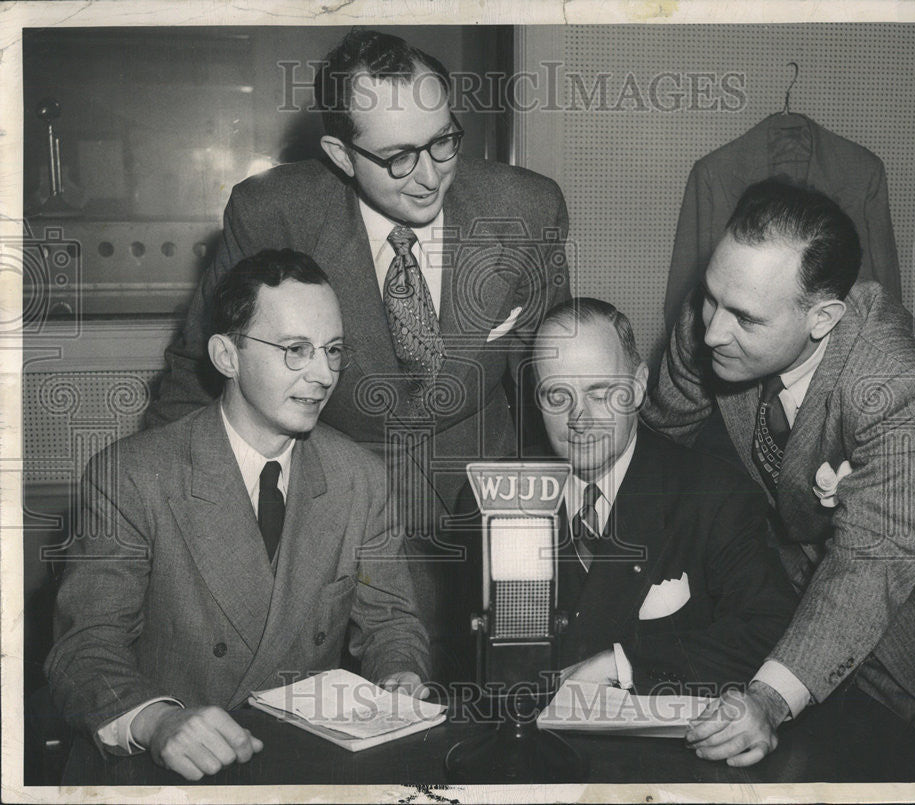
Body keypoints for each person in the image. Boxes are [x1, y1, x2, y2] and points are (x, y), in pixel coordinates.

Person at [144, 29, 571, 682]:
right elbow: (194, 376)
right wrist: (160, 517)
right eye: (398, 156)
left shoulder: (527, 209)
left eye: (443, 141)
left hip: (483, 496)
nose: (430, 176)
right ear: (341, 153)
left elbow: (551, 385)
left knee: (502, 705)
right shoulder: (272, 213)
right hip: (335, 494)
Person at [46, 250, 429, 781]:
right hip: (163, 773)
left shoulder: (360, 478)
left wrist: (399, 676)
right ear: (227, 356)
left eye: (333, 350)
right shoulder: (131, 478)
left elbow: (391, 623)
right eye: (296, 350)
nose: (322, 375)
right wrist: (157, 722)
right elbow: (83, 650)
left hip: (306, 769)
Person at [645, 179, 915, 765]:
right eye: (710, 297)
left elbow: (874, 556)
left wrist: (770, 698)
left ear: (823, 319)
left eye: (745, 318)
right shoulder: (715, 320)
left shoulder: (898, 383)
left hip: (914, 642)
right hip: (787, 613)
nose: (712, 330)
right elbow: (655, 454)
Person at [532, 298, 797, 695]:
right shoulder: (499, 501)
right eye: (557, 396)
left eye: (600, 392)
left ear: (639, 386)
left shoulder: (713, 495)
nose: (578, 418)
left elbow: (770, 630)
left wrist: (624, 666)